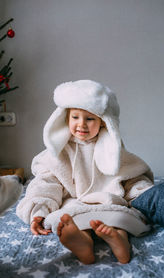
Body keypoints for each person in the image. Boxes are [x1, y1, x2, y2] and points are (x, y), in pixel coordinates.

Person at [16, 80, 153, 264]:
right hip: (74, 204)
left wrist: (144, 195)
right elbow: (46, 183)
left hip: (108, 201)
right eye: (75, 117)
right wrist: (39, 210)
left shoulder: (112, 149)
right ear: (65, 118)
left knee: (121, 216)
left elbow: (131, 177)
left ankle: (119, 239)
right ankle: (83, 242)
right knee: (69, 219)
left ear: (104, 122)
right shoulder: (59, 152)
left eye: (90, 119)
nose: (82, 124)